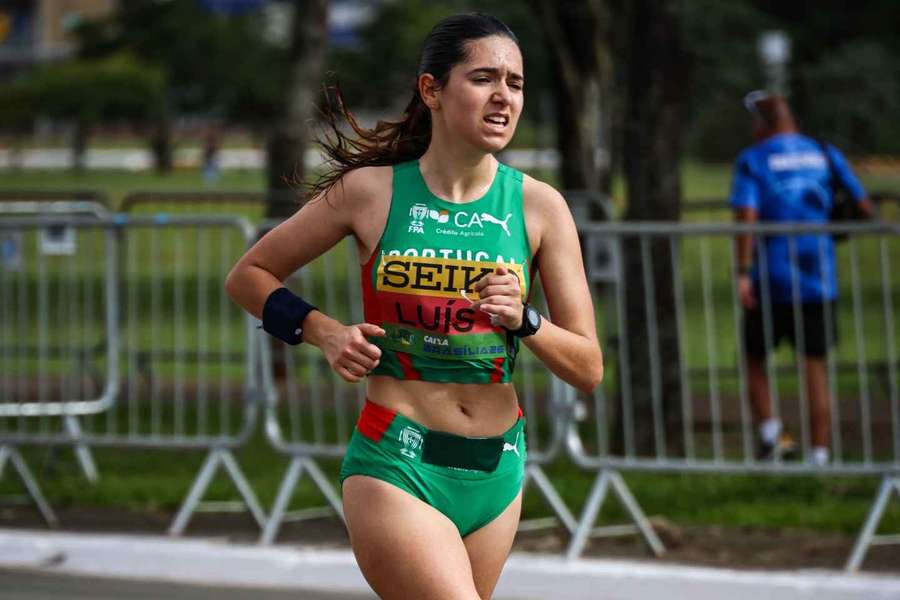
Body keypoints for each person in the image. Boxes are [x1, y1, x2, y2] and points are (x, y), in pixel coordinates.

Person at [225, 13, 602, 600]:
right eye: (483, 78)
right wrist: (323, 332)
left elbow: (588, 367)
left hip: (497, 468)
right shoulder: (370, 191)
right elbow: (248, 276)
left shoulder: (540, 206)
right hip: (398, 462)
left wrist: (526, 319)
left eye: (516, 83)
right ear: (432, 90)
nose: (503, 96)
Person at [730, 91, 874, 466]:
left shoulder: (753, 159)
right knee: (814, 365)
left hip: (770, 277)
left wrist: (742, 270)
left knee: (754, 358)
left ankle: (772, 436)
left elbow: (746, 215)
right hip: (818, 275)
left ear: (761, 124)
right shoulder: (824, 152)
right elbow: (863, 206)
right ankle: (820, 456)